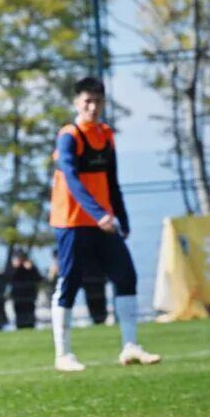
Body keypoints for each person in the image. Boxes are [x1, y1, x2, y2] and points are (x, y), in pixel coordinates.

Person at [49, 76, 161, 372]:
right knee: (70, 282)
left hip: (105, 222)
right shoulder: (69, 136)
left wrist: (122, 217)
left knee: (126, 276)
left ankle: (130, 346)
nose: (93, 107)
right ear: (76, 102)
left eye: (98, 101)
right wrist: (98, 213)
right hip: (73, 222)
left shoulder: (106, 135)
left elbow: (112, 181)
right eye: (87, 101)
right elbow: (72, 180)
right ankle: (63, 354)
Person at [7, 251, 41, 330]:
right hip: (18, 297)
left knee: (30, 318)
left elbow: (38, 279)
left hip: (29, 297)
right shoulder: (12, 269)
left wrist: (31, 268)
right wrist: (15, 268)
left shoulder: (30, 268)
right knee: (19, 318)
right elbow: (8, 279)